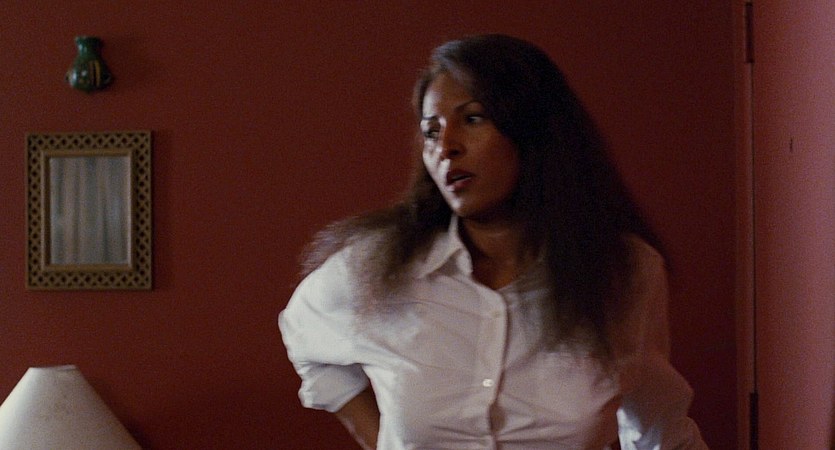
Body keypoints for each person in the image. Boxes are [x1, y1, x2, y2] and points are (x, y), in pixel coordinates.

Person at [279, 34, 708, 449]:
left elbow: (659, 426)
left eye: (472, 119)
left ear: (534, 129)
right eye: (431, 131)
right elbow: (303, 333)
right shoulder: (378, 267)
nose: (446, 147)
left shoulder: (623, 272)